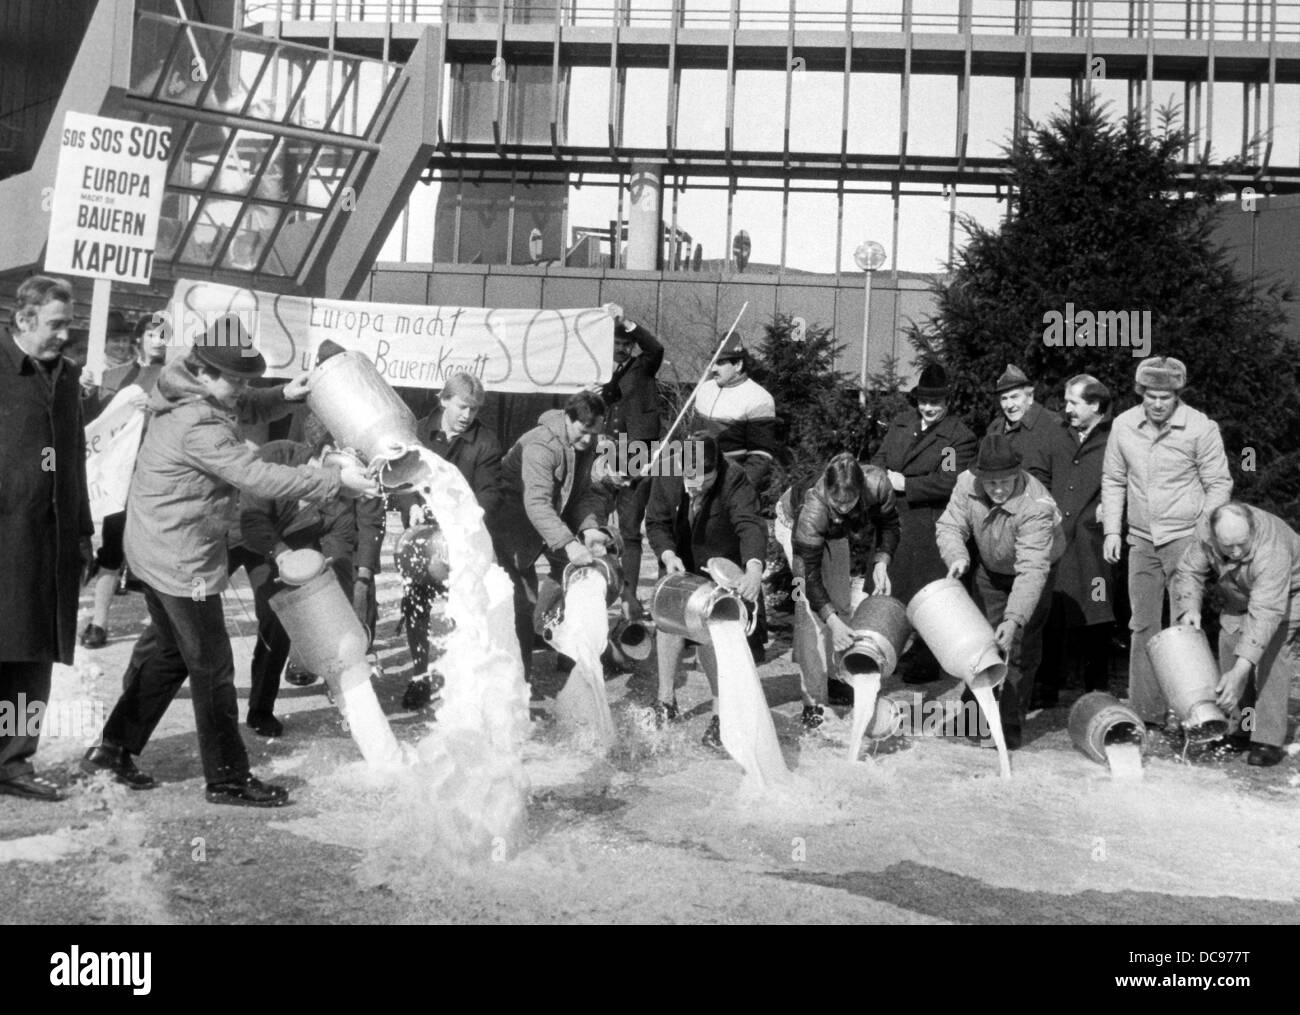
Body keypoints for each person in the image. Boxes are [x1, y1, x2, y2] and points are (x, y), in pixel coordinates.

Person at [81, 315, 375, 807]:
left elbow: (241, 402)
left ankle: (112, 748)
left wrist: (284, 393)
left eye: (245, 380)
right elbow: (256, 475)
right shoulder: (197, 423)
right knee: (214, 668)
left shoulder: (190, 389)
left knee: (172, 654)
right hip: (179, 560)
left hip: (156, 546)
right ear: (204, 372)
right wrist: (333, 481)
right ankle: (227, 779)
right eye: (235, 379)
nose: (242, 389)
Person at [1101, 356, 1232, 728]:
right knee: (1142, 625)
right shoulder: (1124, 425)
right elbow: (1113, 479)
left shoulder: (1200, 428)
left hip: (1185, 539)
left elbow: (1218, 484)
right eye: (1151, 396)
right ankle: (1147, 713)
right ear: (1140, 393)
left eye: (1166, 397)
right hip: (1141, 540)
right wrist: (1112, 530)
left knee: (1184, 624)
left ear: (1177, 395)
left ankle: (1190, 712)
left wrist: (1203, 536)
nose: (1157, 404)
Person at [0, 276, 93, 802]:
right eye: (56, 324)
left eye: (68, 324)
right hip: (5, 532)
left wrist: (82, 531)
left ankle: (13, 762)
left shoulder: (67, 375)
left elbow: (73, 457)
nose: (64, 334)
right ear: (24, 319)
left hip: (49, 539)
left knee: (33, 655)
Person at [935, 434, 1065, 748]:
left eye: (1004, 482)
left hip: (1035, 569)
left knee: (1019, 649)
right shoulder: (966, 482)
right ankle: (972, 720)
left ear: (1017, 474)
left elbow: (1031, 569)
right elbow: (950, 525)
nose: (997, 490)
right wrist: (957, 556)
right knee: (981, 642)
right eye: (990, 482)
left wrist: (1014, 618)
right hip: (991, 568)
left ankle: (1008, 727)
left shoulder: (1037, 505)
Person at [390, 371, 504, 709]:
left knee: (464, 609)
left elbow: (490, 494)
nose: (468, 415)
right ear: (443, 400)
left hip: (462, 539)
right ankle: (420, 676)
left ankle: (463, 679)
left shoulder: (486, 442)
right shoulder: (416, 432)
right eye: (462, 406)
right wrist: (410, 506)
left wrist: (462, 519)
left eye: (474, 409)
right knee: (415, 606)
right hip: (420, 538)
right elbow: (401, 478)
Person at [238, 433, 364, 737]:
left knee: (277, 617)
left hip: (277, 555)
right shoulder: (275, 455)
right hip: (224, 539)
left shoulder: (340, 504)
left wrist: (337, 610)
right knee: (193, 611)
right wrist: (283, 554)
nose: (338, 490)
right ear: (326, 454)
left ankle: (260, 709)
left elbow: (339, 560)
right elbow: (252, 520)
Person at [644, 434, 766, 747]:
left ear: (717, 469)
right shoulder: (666, 471)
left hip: (719, 561)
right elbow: (656, 522)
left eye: (705, 482)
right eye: (691, 482)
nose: (697, 489)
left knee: (713, 633)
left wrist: (753, 569)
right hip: (678, 557)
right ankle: (665, 701)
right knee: (668, 620)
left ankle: (721, 715)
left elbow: (750, 524)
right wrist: (667, 555)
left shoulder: (734, 477)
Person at [1171, 502, 1300, 768]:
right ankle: (1241, 728)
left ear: (1252, 529)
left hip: (1287, 595)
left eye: (1242, 544)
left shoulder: (1272, 550)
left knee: (1271, 656)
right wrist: (1190, 607)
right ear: (1214, 535)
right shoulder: (1205, 532)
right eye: (1228, 546)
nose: (1237, 552)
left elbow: (1265, 613)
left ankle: (1267, 739)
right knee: (1229, 644)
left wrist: (1241, 671)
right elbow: (1189, 571)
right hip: (1240, 592)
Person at [870, 363, 976, 682]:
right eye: (923, 402)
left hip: (930, 525)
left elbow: (949, 481)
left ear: (947, 402)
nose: (928, 408)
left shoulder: (958, 437)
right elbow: (880, 458)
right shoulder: (902, 423)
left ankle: (928, 659)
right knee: (891, 588)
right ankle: (892, 647)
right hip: (893, 518)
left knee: (928, 594)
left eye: (935, 403)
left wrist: (906, 484)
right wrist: (881, 478)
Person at [497, 391, 612, 684]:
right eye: (584, 431)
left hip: (551, 516)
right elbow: (536, 502)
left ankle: (560, 641)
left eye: (594, 432)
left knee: (577, 573)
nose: (589, 439)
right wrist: (569, 543)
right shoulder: (542, 444)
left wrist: (590, 528)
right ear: (568, 419)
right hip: (511, 521)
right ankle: (517, 681)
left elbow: (584, 493)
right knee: (520, 601)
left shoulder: (588, 442)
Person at [779, 453, 900, 729]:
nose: (844, 507)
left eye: (850, 501)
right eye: (838, 501)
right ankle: (814, 703)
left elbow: (890, 524)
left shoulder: (877, 484)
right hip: (793, 524)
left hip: (835, 532)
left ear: (861, 489)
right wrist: (831, 621)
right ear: (827, 491)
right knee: (811, 615)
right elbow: (807, 576)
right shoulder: (813, 508)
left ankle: (835, 678)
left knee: (841, 603)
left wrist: (882, 560)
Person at [80, 313, 170, 649]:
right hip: (120, 475)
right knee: (113, 545)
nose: (158, 341)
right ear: (140, 338)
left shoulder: (176, 377)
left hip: (158, 474)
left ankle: (164, 626)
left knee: (156, 548)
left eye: (164, 335)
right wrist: (86, 393)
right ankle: (99, 622)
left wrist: (158, 406)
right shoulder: (113, 376)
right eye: (152, 334)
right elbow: (93, 422)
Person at [1035, 375, 1115, 707]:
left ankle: (1097, 690)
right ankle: (1046, 687)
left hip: (1093, 545)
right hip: (1056, 540)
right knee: (1051, 612)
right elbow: (1039, 474)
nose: (1066, 409)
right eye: (1066, 402)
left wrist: (1110, 511)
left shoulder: (1115, 438)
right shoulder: (1057, 434)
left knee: (1097, 611)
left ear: (1094, 405)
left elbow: (1127, 482)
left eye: (1073, 402)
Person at [594, 304, 664, 617]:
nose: (622, 348)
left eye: (626, 343)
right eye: (617, 343)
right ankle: (597, 594)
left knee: (630, 529)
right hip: (603, 452)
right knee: (594, 524)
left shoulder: (643, 365)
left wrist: (628, 323)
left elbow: (656, 348)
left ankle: (630, 599)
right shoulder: (595, 371)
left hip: (636, 453)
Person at [693, 332, 780, 495]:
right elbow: (692, 440)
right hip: (698, 482)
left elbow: (761, 456)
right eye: (713, 362)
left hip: (731, 486)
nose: (713, 368)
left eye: (720, 363)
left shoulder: (759, 398)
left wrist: (737, 490)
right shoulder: (704, 389)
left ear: (738, 365)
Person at [986, 364, 1061, 485]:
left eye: (1014, 397)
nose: (1009, 405)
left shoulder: (1053, 425)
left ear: (1030, 396)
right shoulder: (994, 428)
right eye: (1004, 399)